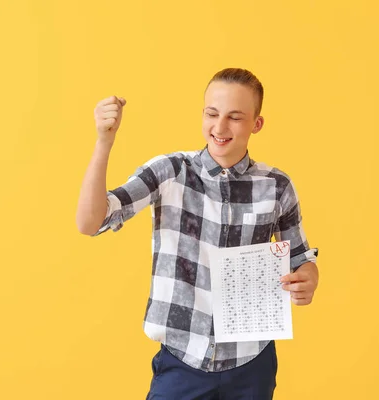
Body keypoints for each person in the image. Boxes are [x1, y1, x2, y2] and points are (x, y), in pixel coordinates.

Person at [76, 68, 319, 399]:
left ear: (256, 124)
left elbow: (301, 258)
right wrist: (105, 141)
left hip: (252, 363)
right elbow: (90, 222)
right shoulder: (171, 172)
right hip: (181, 360)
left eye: (235, 117)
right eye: (212, 114)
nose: (220, 128)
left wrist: (308, 277)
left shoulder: (276, 186)